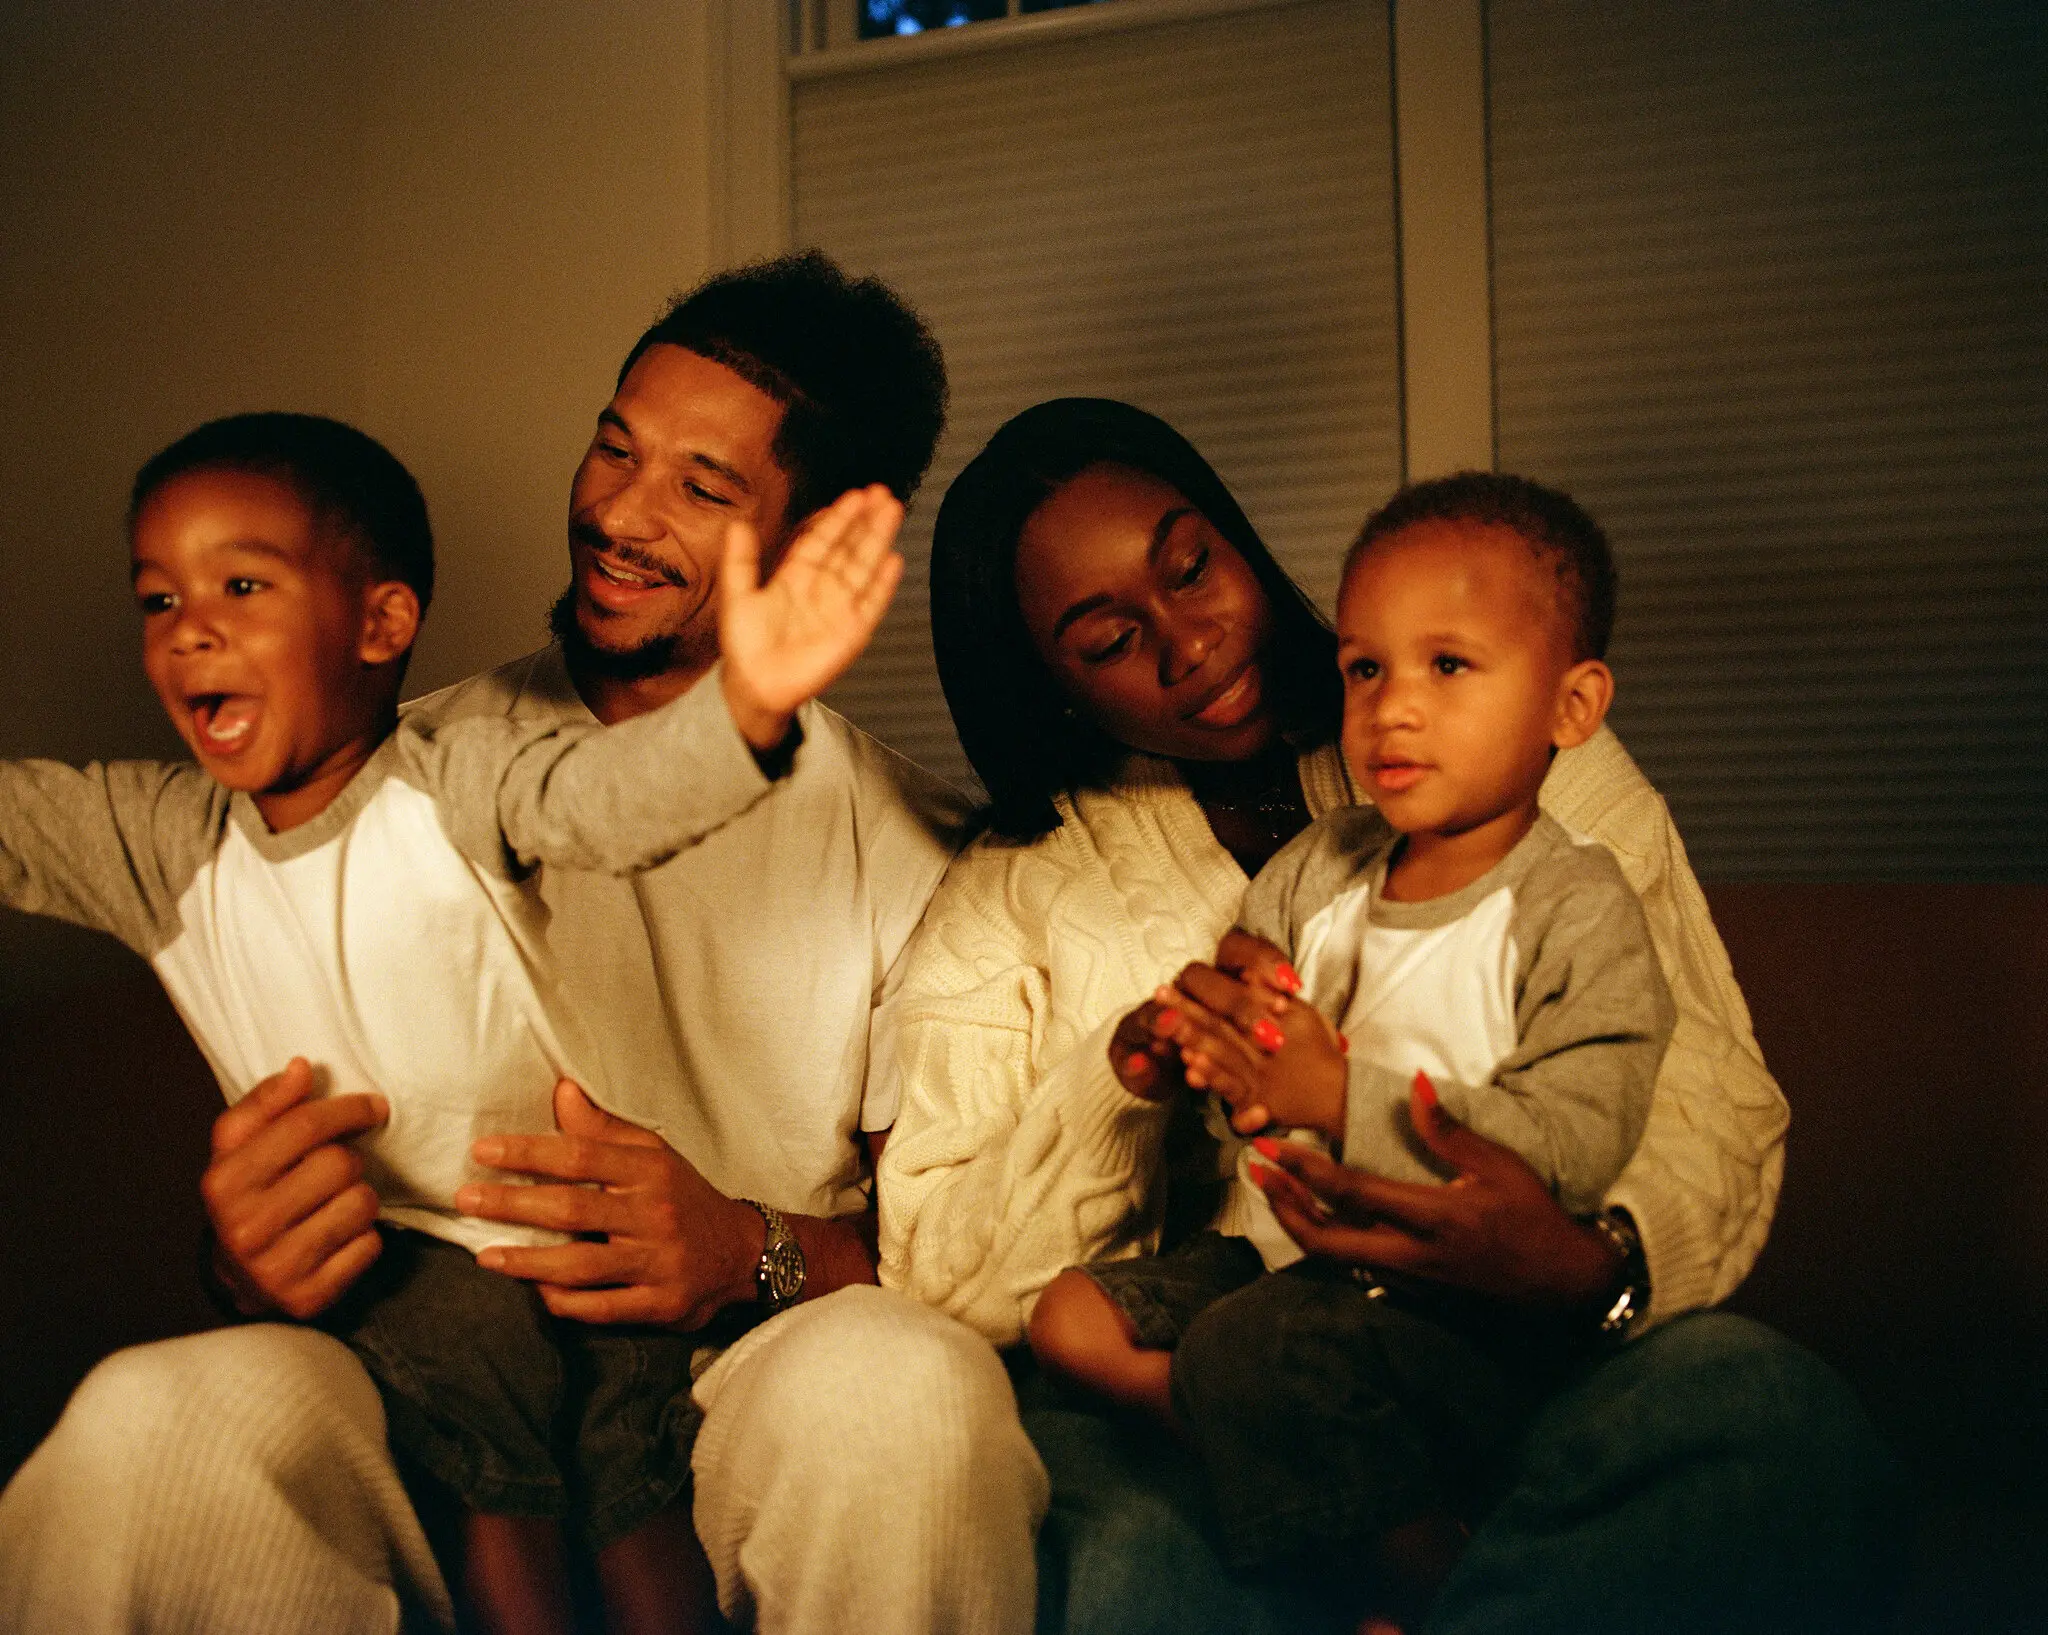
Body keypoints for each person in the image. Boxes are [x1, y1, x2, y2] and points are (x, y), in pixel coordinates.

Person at [0, 253, 1048, 1635]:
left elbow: (943, 1252)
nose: (617, 509)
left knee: (909, 1390)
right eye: (615, 444)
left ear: (813, 546)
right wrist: (247, 1257)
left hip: (741, 1371)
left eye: (701, 486)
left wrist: (747, 1247)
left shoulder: (916, 850)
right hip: (426, 1360)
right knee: (144, 1422)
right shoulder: (390, 763)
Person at [876, 398, 1903, 1634]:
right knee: (1133, 1572)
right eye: (1107, 639)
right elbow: (933, 1259)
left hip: (1510, 1339)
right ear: (1047, 686)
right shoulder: (1014, 884)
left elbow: (1705, 1089)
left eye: (1191, 570)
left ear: (1236, 539)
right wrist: (1126, 1084)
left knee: (1774, 1421)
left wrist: (1582, 1266)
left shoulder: (1520, 743)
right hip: (1225, 1347)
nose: (1186, 643)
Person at [1025, 472, 1676, 1623]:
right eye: (1365, 668)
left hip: (1445, 1293)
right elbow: (1250, 1046)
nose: (1392, 709)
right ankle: (1332, 1467)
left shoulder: (1573, 902)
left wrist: (1336, 1094)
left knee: (1247, 1358)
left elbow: (1574, 1141)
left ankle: (1410, 1580)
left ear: (1569, 710)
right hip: (1289, 1260)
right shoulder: (1322, 868)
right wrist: (1218, 1039)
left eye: (1447, 667)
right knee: (1068, 1324)